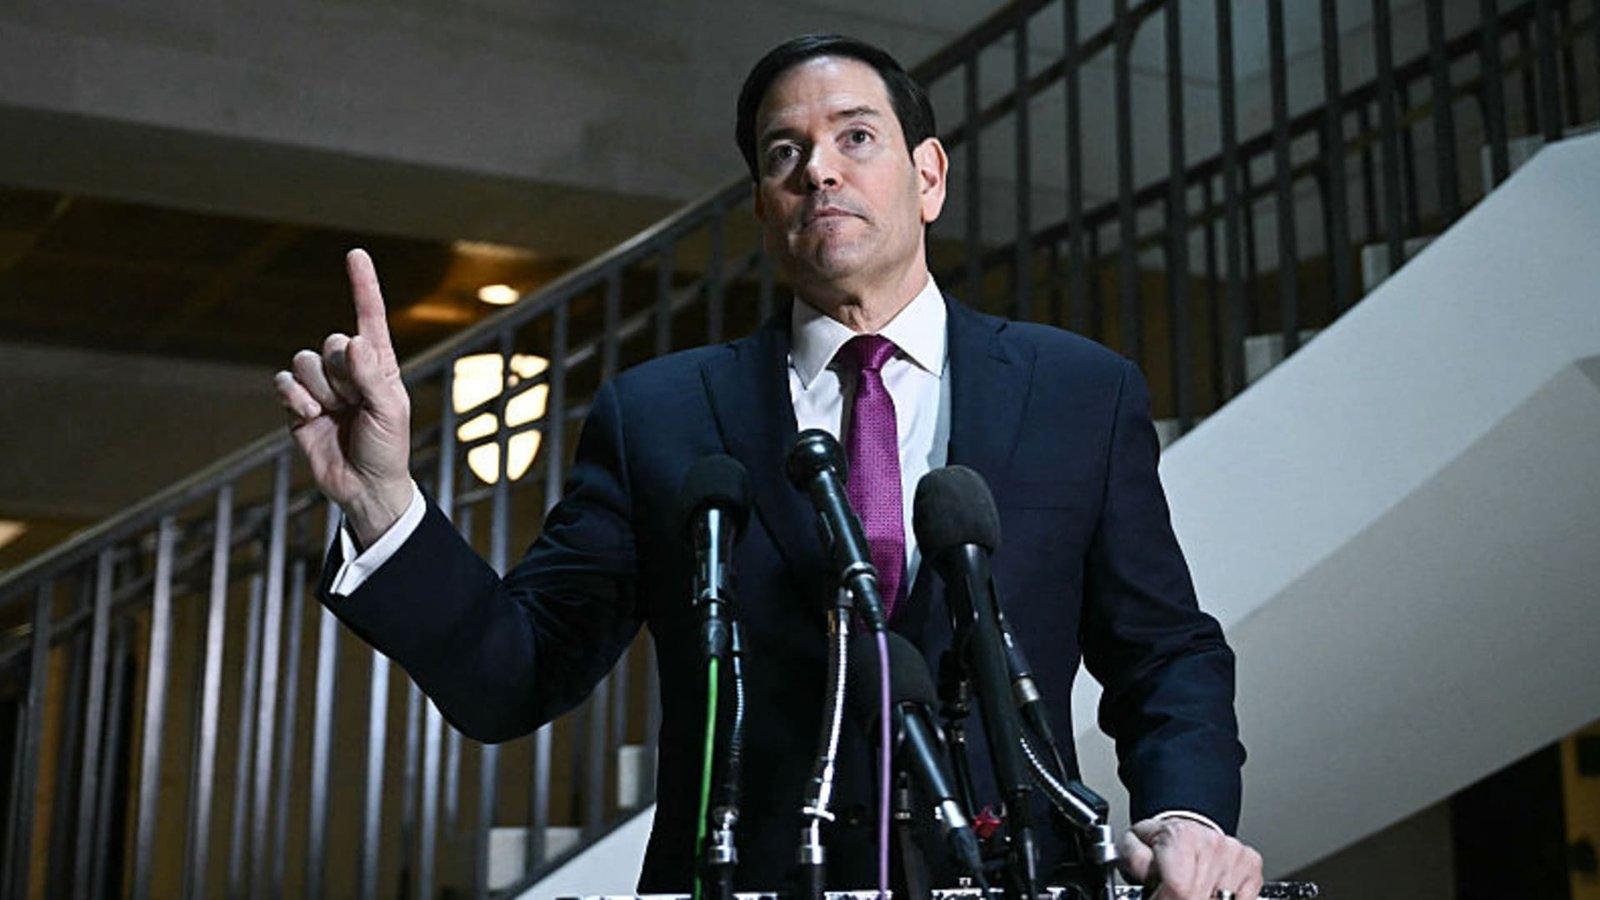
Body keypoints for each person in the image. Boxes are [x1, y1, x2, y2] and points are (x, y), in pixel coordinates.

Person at [275, 33, 1264, 900]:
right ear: (761, 203)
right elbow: (515, 676)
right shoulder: (658, 415)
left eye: (855, 137)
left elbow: (1161, 651)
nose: (819, 170)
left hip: (1015, 876)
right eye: (784, 153)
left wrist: (1188, 817)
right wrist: (382, 499)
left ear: (928, 177)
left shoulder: (1078, 392)